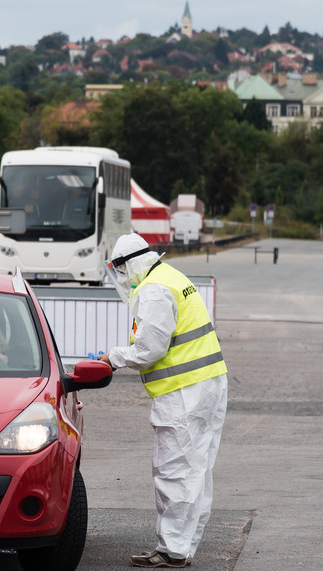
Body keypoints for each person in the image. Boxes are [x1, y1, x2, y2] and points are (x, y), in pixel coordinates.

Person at [94, 233, 228, 569]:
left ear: (130, 263)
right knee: (197, 469)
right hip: (207, 385)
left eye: (121, 271)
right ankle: (181, 547)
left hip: (183, 392)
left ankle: (171, 549)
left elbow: (148, 349)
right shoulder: (172, 276)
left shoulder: (153, 289)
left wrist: (112, 357)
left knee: (173, 470)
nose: (122, 279)